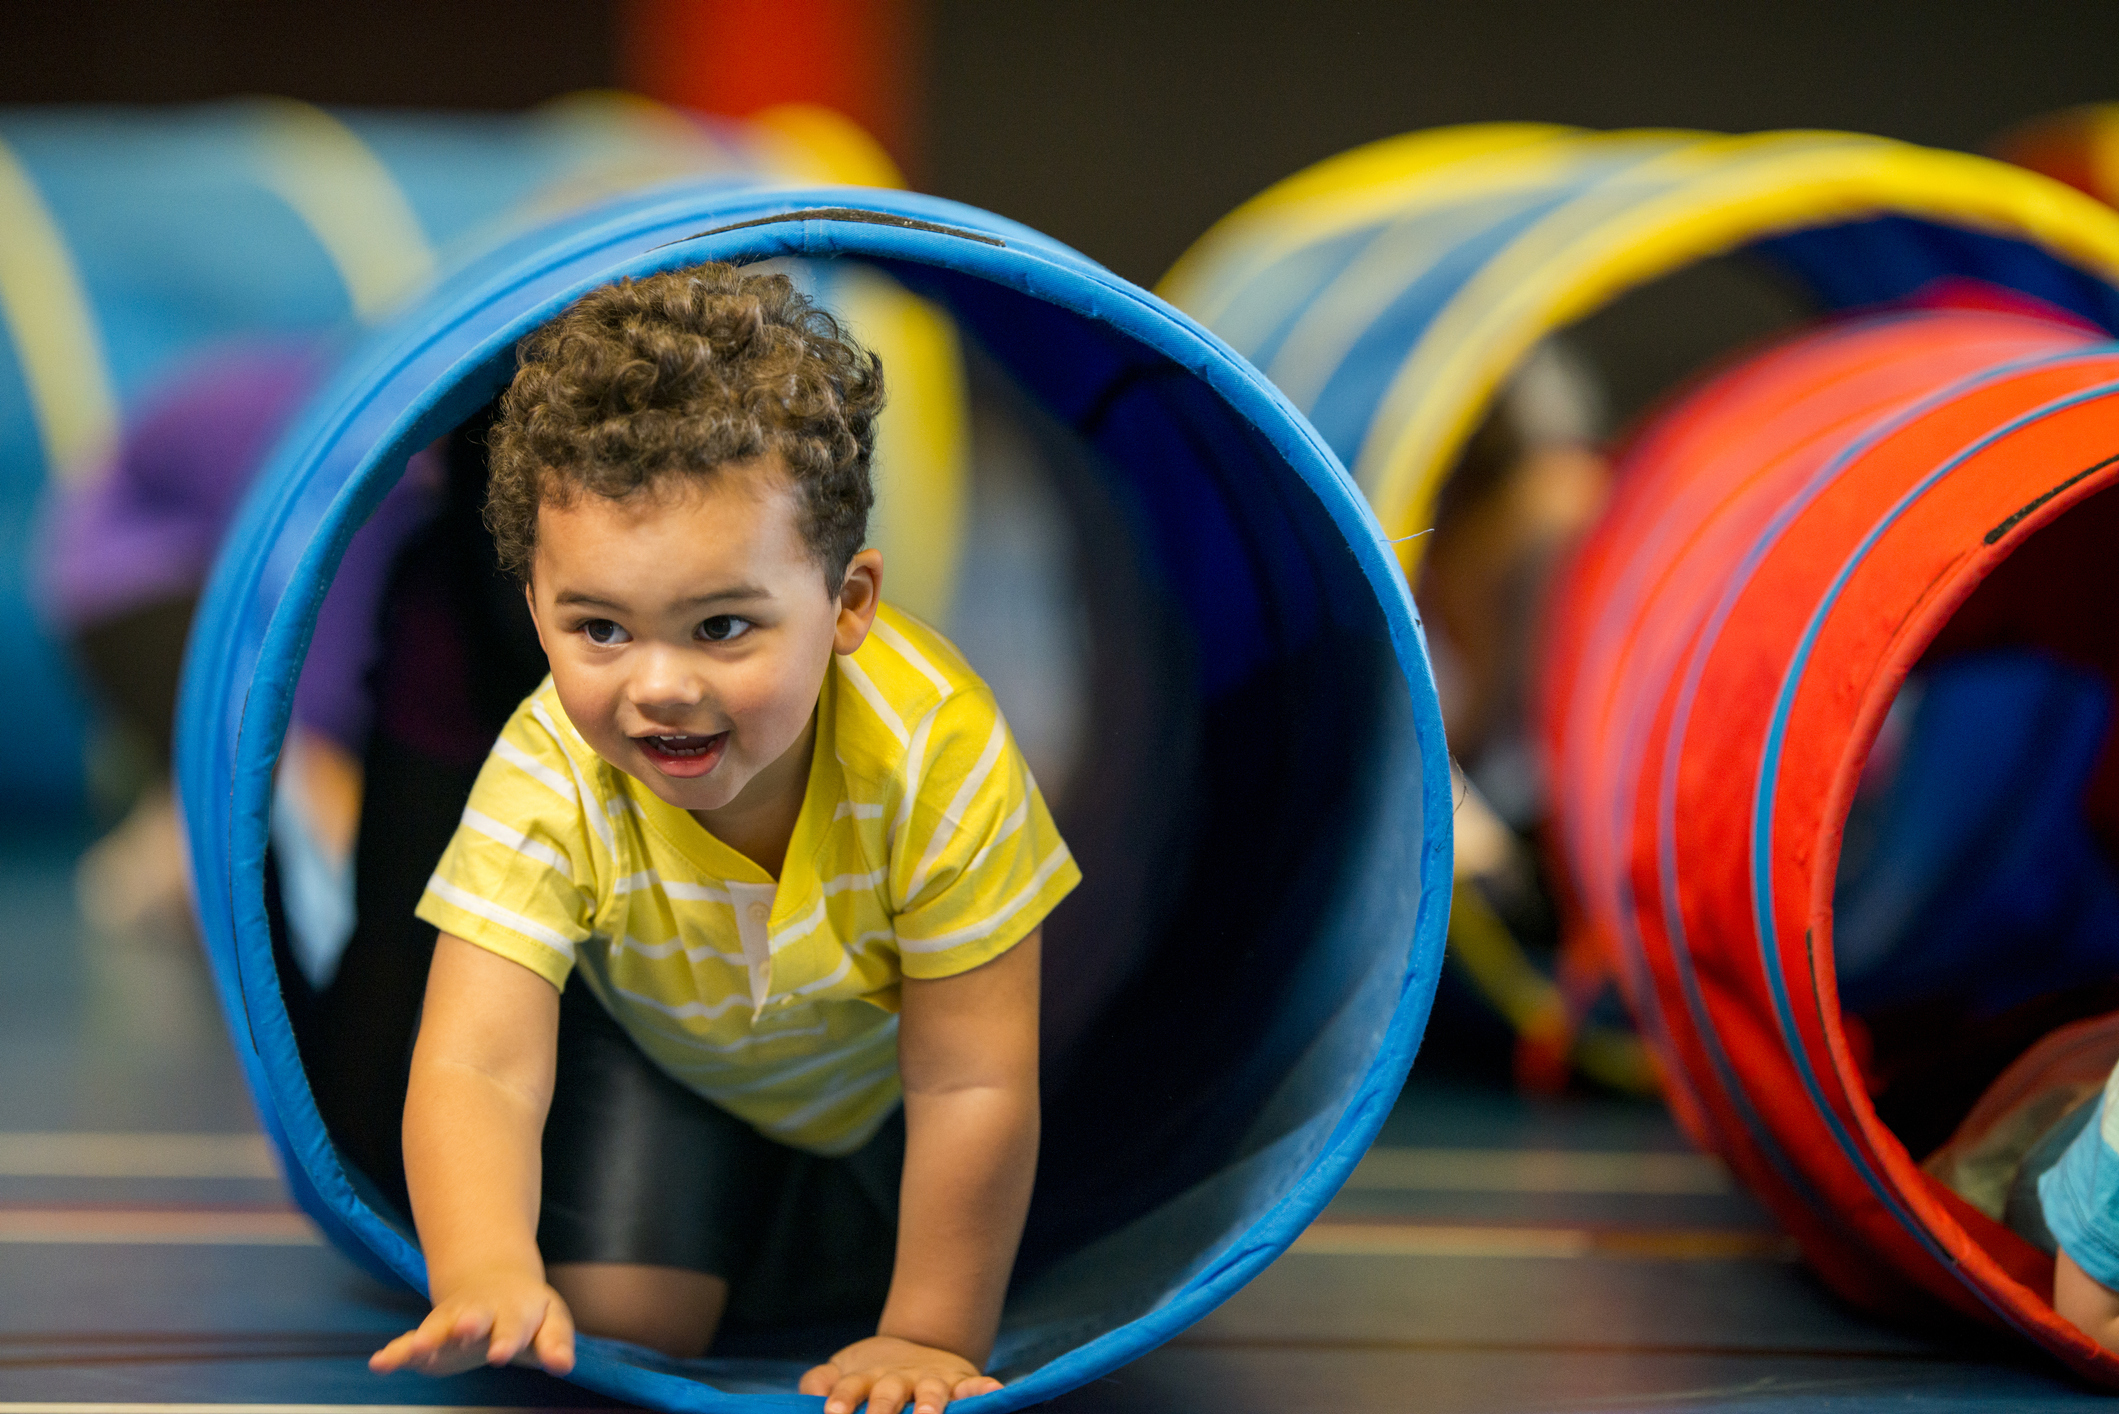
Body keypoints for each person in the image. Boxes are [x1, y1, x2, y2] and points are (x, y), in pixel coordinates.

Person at [365, 263, 1078, 1414]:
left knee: (987, 1251)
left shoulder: (932, 755)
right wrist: (485, 1265)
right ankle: (743, 1229)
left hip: (884, 1088)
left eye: (722, 626)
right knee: (622, 1332)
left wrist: (929, 1333)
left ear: (847, 604)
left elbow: (971, 1075)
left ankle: (805, 1232)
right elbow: (476, 1061)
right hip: (674, 1061)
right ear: (535, 604)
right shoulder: (553, 769)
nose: (659, 687)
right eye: (597, 627)